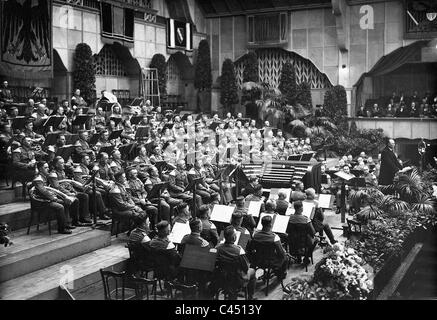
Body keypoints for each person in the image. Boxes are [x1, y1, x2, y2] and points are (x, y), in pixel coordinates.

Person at [214, 226, 257, 300]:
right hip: (236, 279)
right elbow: (246, 267)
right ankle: (250, 297)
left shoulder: (217, 248)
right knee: (252, 271)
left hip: (221, 277)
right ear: (234, 238)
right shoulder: (239, 250)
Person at [33, 161, 73, 234]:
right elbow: (44, 192)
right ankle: (61, 229)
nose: (48, 169)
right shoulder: (38, 179)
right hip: (41, 202)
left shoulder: (45, 177)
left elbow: (52, 188)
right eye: (45, 168)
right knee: (60, 207)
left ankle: (66, 223)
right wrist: (53, 198)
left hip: (47, 200)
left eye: (48, 167)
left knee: (65, 202)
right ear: (40, 169)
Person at [248, 215, 287, 281]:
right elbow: (281, 253)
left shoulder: (255, 235)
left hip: (258, 260)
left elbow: (251, 248)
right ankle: (280, 274)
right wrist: (284, 252)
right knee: (285, 257)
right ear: (271, 224)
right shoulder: (274, 237)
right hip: (270, 262)